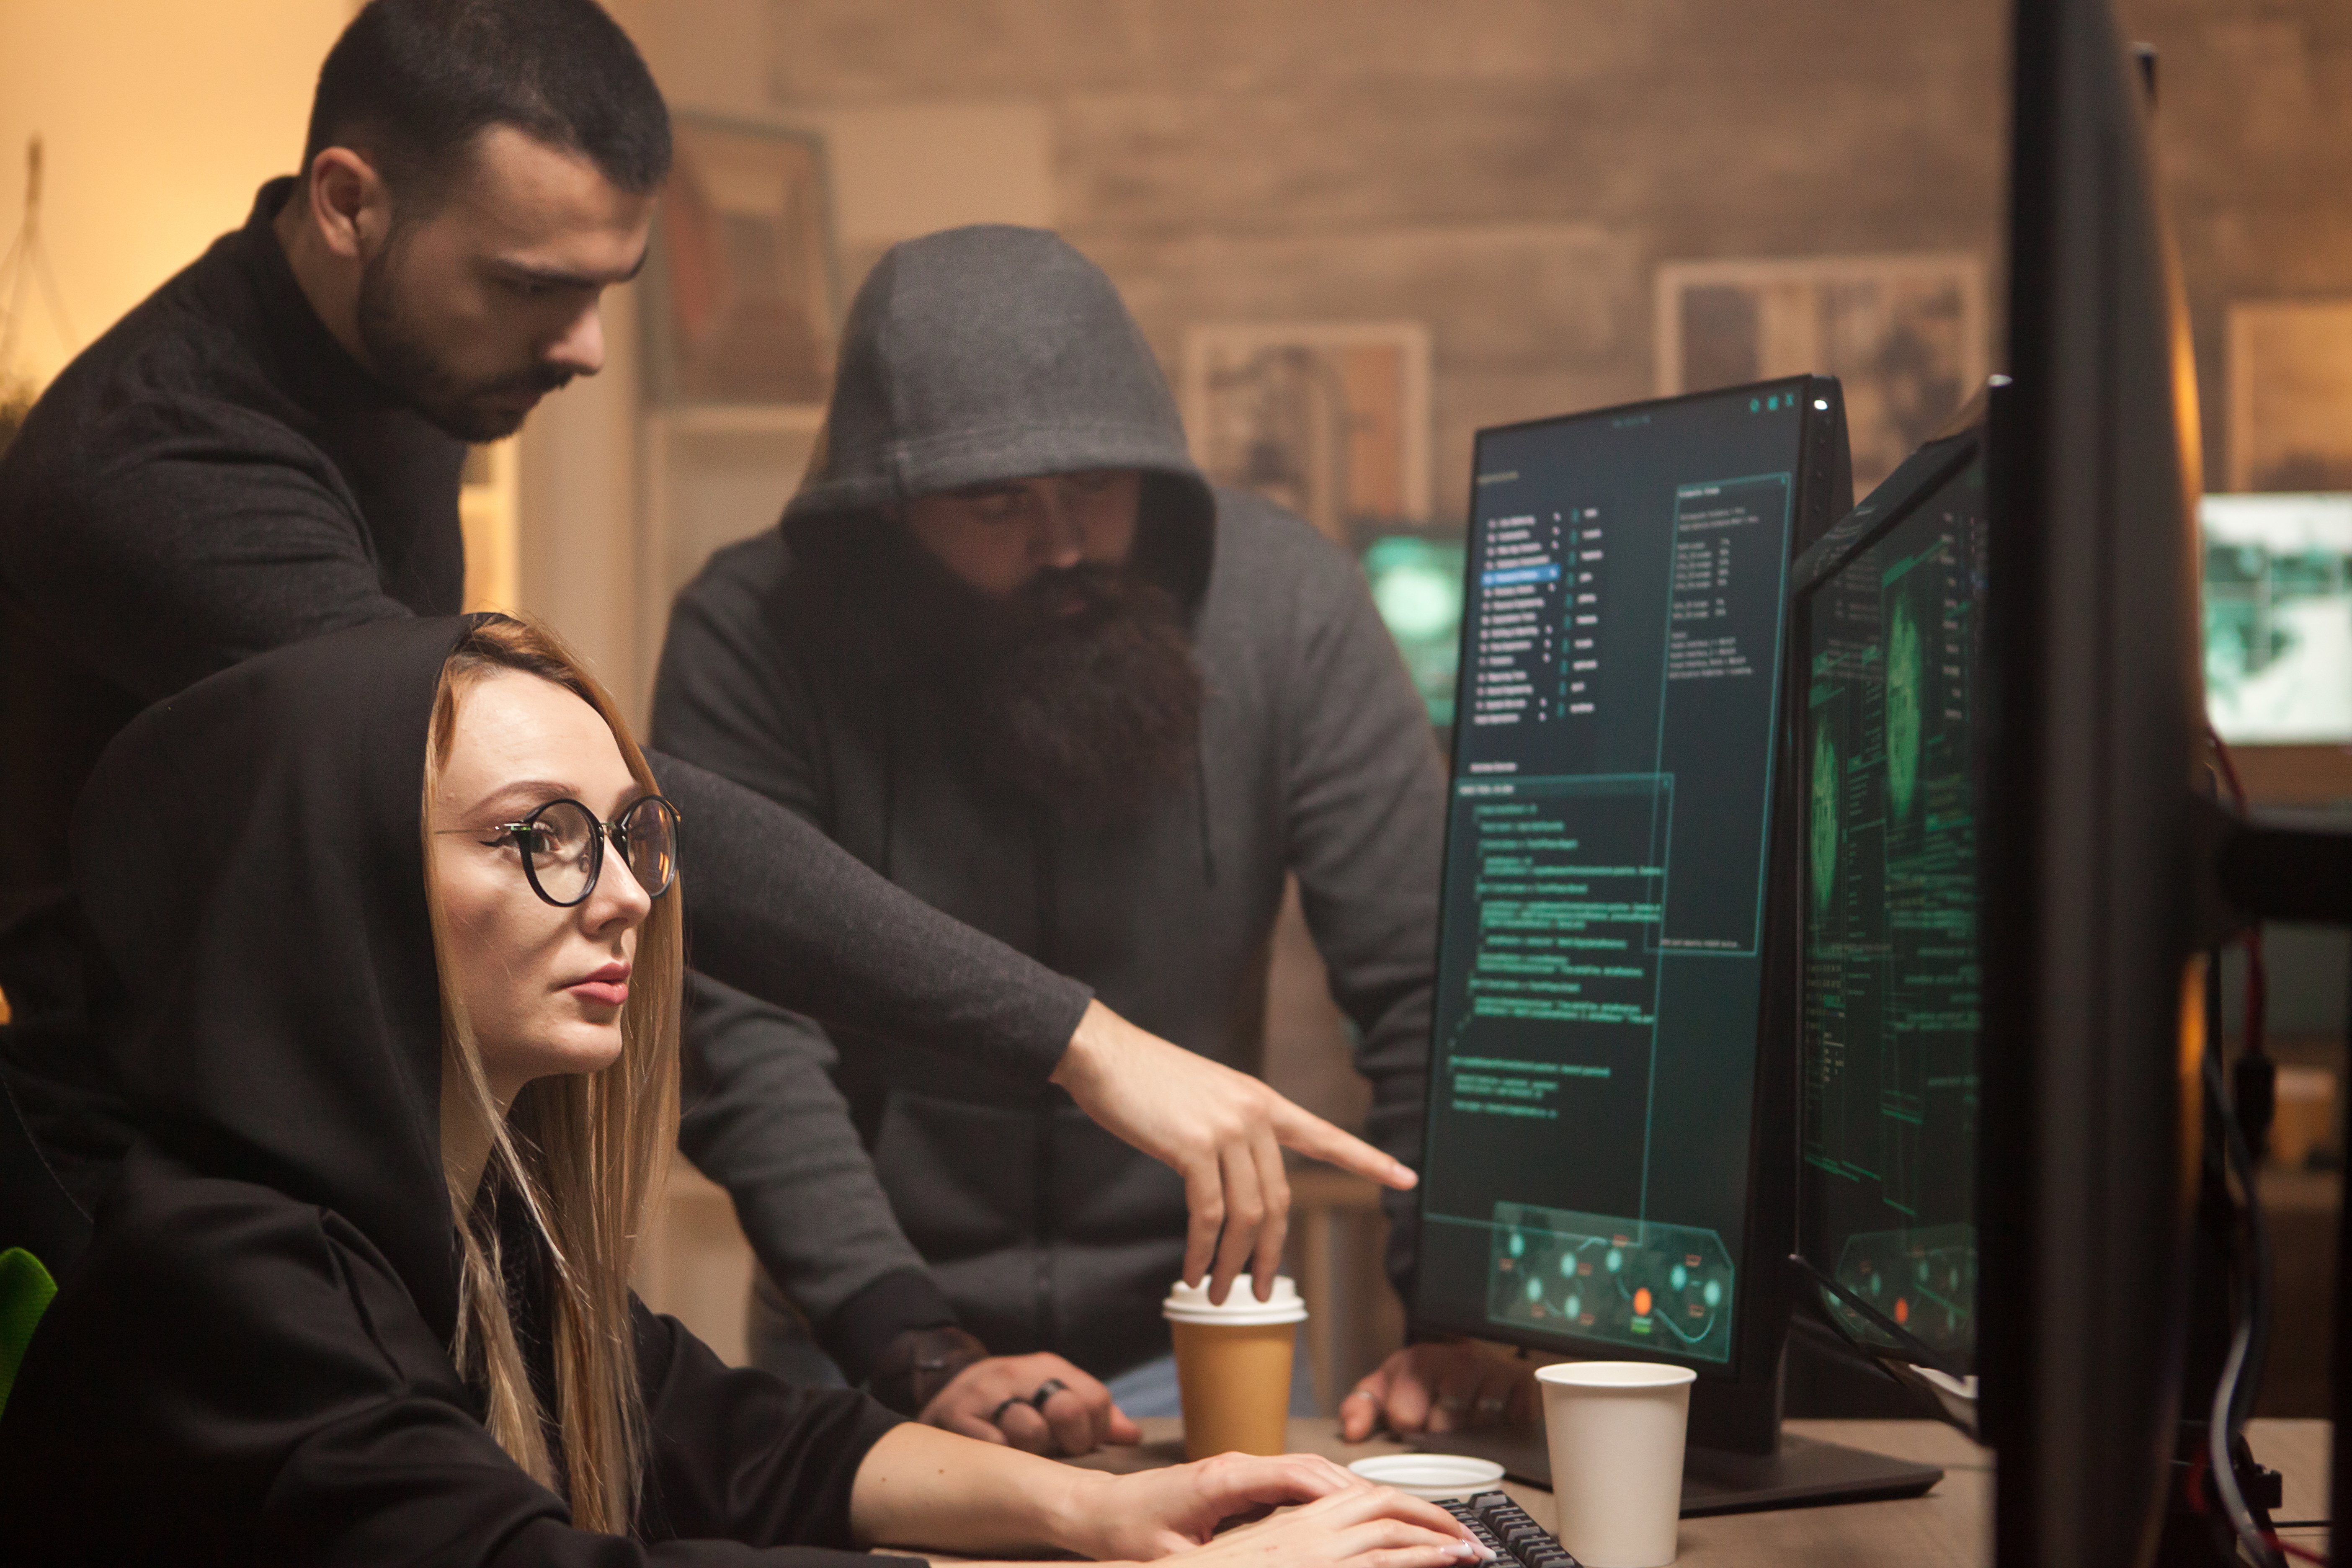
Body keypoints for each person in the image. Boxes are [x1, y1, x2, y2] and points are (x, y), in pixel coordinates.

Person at [0, 0, 1404, 1284]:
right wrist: (1083, 1044)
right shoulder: (150, 467)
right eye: (534, 285)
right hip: (122, 1228)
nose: (591, 347)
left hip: (325, 1189)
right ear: (350, 204)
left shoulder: (402, 371)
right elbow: (572, 803)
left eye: (610, 283)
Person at [0, 613, 1489, 1568]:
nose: (628, 899)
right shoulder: (217, 1280)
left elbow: (736, 1444)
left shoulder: (476, 1238)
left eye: (633, 834)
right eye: (540, 836)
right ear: (338, 892)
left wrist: (1102, 1515)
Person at [652, 224, 1536, 1453]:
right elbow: (741, 1028)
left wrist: (1457, 1311)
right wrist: (909, 1338)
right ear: (889, 515)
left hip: (1204, 1336)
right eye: (997, 503)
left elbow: (1431, 988)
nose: (1063, 544)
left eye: (1097, 492)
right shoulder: (749, 632)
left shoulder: (1293, 607)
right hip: (868, 1339)